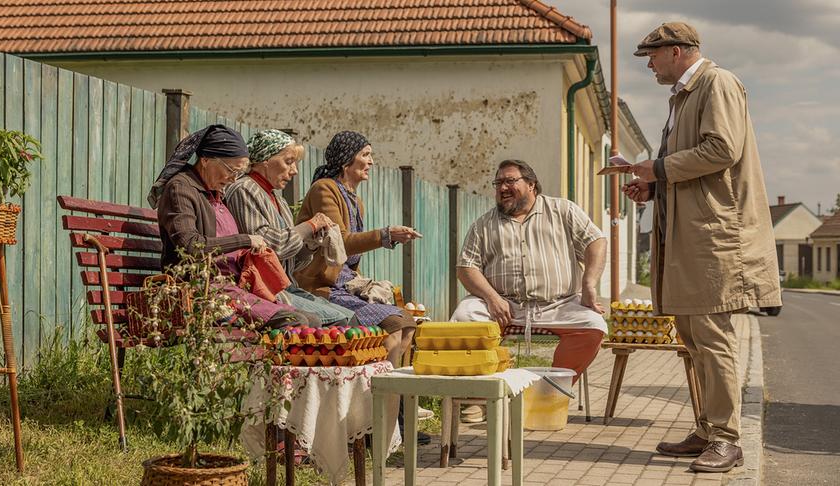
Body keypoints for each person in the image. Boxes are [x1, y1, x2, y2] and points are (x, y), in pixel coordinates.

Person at [623, 22, 781, 473]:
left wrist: (656, 169)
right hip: (689, 236)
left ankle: (727, 439)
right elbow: (690, 168)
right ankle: (709, 429)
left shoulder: (717, 83)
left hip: (715, 238)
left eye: (652, 56)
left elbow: (721, 150)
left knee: (713, 337)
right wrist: (653, 188)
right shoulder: (684, 96)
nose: (649, 64)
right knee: (693, 338)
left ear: (676, 51)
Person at [452, 159, 608, 383]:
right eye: (498, 183)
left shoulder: (563, 210)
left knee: (593, 325)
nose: (502, 188)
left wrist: (588, 283)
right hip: (503, 305)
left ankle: (553, 392)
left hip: (559, 304)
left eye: (509, 181)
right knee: (463, 318)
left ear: (531, 184)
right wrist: (492, 298)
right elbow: (466, 267)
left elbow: (596, 241)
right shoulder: (483, 224)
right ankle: (477, 394)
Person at [150, 124, 315, 329]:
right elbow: (190, 246)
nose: (233, 179)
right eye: (231, 170)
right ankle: (260, 362)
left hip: (234, 288)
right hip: (201, 291)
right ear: (206, 160)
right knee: (295, 322)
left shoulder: (216, 192)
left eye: (238, 173)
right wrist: (246, 239)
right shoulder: (181, 189)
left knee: (312, 321)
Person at [294, 130, 421, 367]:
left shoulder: (355, 200)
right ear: (346, 160)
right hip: (324, 287)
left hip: (346, 285)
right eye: (365, 155)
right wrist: (386, 235)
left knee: (407, 322)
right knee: (393, 326)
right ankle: (379, 395)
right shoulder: (325, 189)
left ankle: (394, 397)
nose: (371, 162)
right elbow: (340, 241)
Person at [224, 129, 357, 327]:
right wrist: (308, 226)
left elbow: (291, 264)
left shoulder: (278, 199)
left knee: (351, 317)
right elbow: (266, 247)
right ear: (265, 160)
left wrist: (311, 244)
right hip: (264, 291)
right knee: (341, 322)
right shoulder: (245, 190)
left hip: (286, 287)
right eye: (288, 161)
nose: (294, 170)